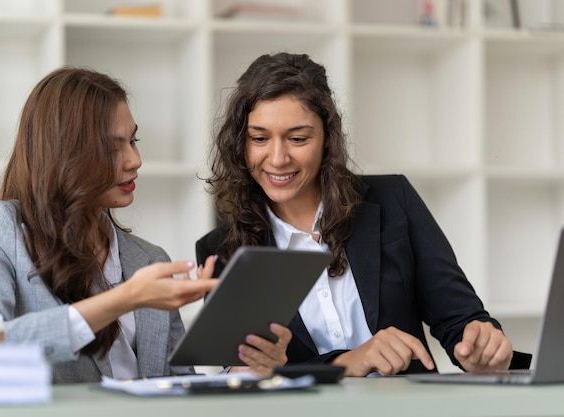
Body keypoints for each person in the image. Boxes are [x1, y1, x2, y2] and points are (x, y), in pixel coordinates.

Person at [196, 52, 532, 377]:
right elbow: (246, 375)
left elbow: (461, 320)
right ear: (240, 143)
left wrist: (481, 348)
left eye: (298, 138)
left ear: (328, 138)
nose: (278, 157)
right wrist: (345, 363)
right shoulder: (223, 250)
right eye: (259, 138)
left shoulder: (393, 200)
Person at [0, 67, 290, 383]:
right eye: (112, 148)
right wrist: (125, 299)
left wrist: (245, 370)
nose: (135, 161)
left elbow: (176, 388)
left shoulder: (148, 259)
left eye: (133, 142)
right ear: (62, 153)